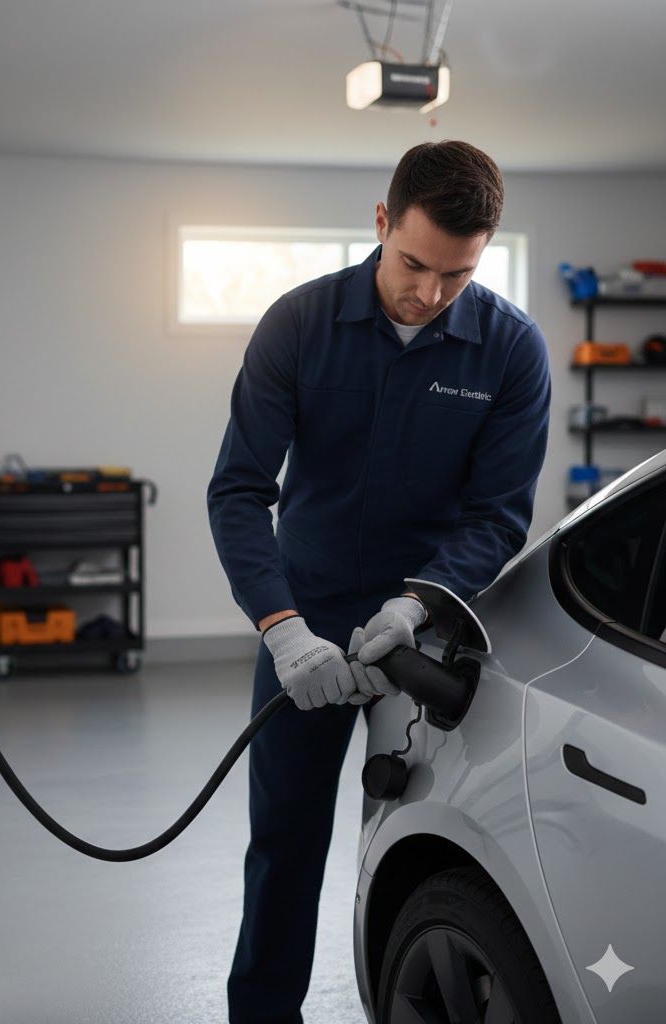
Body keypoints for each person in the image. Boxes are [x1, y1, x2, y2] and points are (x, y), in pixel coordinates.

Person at [206, 139, 551, 1023]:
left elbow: (498, 515)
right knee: (284, 845)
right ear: (380, 223)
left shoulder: (512, 352)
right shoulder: (298, 323)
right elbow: (241, 491)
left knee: (433, 845)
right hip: (304, 620)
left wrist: (416, 602)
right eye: (414, 263)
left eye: (457, 275)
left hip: (432, 629)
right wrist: (282, 628)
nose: (430, 294)